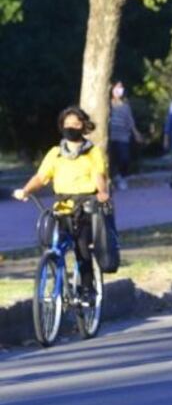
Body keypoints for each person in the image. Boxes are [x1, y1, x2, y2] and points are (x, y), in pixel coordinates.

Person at [13, 107, 110, 300]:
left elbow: (99, 176)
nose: (71, 127)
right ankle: (56, 276)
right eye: (67, 124)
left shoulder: (92, 153)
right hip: (62, 208)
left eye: (76, 124)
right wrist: (25, 191)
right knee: (52, 242)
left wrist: (102, 193)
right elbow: (41, 177)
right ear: (61, 127)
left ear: (84, 126)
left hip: (85, 206)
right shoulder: (55, 153)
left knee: (82, 245)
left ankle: (87, 288)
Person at [108, 81, 144, 190]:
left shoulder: (126, 106)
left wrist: (136, 133)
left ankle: (122, 177)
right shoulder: (107, 104)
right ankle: (112, 179)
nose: (119, 90)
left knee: (124, 158)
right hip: (111, 136)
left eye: (121, 88)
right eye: (116, 88)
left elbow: (130, 121)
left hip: (123, 136)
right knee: (111, 159)